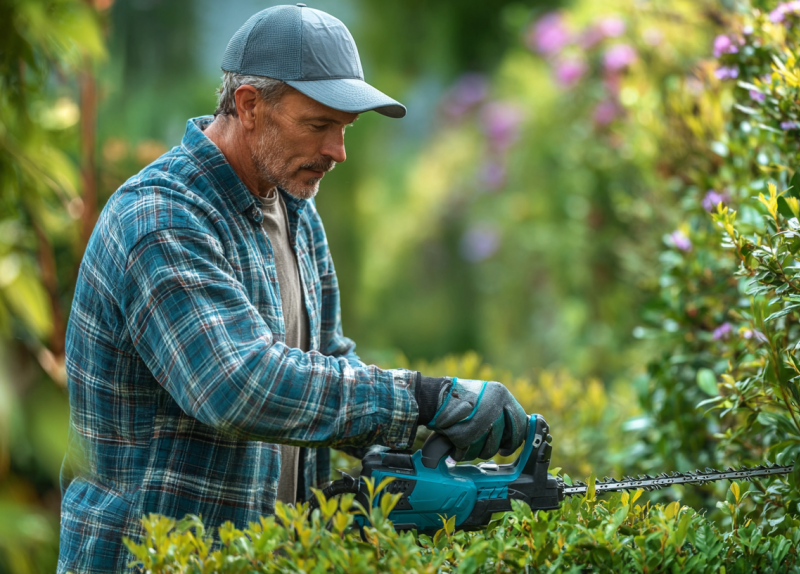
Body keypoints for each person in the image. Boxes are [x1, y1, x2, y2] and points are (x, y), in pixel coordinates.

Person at [57, 5, 527, 572]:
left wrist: (425, 444)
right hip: (151, 560)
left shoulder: (295, 209)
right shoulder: (162, 219)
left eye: (345, 130)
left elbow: (325, 362)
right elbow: (238, 385)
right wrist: (423, 396)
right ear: (250, 105)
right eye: (318, 125)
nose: (338, 152)